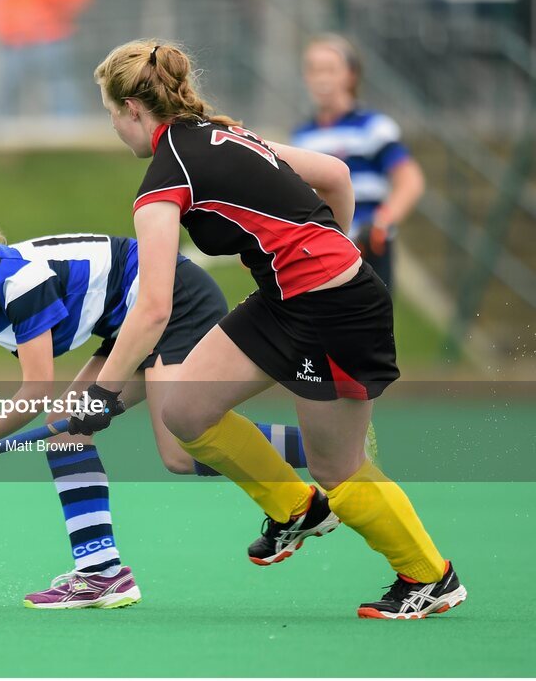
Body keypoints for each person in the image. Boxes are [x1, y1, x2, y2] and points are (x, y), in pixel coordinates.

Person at [78, 39, 466, 619]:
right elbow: (334, 176)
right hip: (286, 298)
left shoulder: (161, 181)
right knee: (183, 411)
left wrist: (101, 392)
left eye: (111, 114)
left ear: (134, 109)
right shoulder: (228, 134)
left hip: (333, 310)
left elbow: (154, 307)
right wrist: (328, 244)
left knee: (340, 467)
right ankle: (296, 508)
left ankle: (430, 577)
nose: (114, 127)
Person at [0, 174, 329, 609]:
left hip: (173, 302)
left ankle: (330, 448)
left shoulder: (17, 284)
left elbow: (39, 388)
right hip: (128, 327)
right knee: (67, 431)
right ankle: (101, 573)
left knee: (178, 450)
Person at [292, 33, 425, 291]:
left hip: (368, 252)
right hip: (322, 257)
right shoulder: (301, 136)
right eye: (314, 70)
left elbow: (410, 180)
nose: (321, 78)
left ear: (351, 75)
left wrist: (382, 222)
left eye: (330, 69)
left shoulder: (374, 127)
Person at [0, 0, 92, 117]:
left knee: (59, 88)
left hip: (48, 35)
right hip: (15, 38)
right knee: (6, 93)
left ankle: (68, 126)